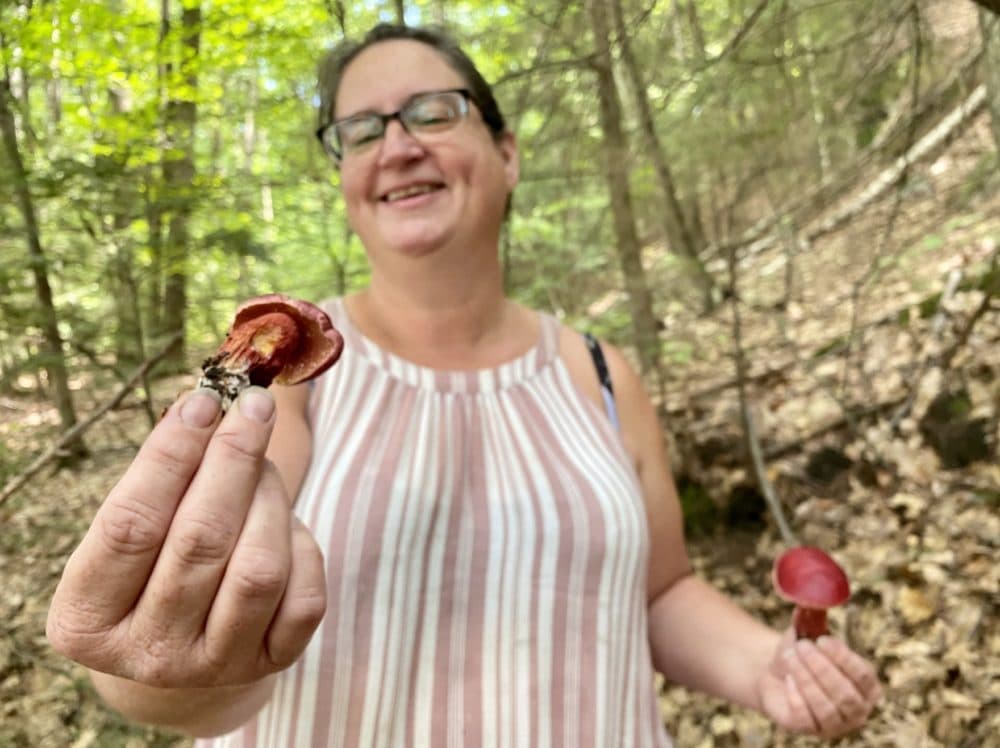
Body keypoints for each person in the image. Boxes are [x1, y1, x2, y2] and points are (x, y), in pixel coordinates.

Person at [46, 23, 882, 747]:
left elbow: (660, 593)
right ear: (343, 179)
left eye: (433, 111)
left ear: (506, 153)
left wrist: (770, 667)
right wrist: (156, 665)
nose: (397, 146)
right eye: (360, 130)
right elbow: (188, 646)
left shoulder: (601, 373)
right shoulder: (288, 379)